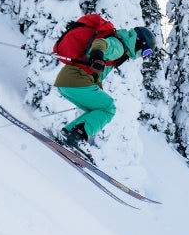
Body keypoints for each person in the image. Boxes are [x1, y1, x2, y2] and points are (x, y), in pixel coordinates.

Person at [55, 22, 156, 151]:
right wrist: (97, 56)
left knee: (99, 109)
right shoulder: (119, 47)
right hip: (76, 80)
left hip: (67, 81)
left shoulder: (119, 50)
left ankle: (68, 133)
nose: (141, 56)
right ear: (138, 42)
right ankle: (76, 136)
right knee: (109, 108)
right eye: (145, 52)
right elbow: (100, 44)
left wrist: (98, 90)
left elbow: (96, 74)